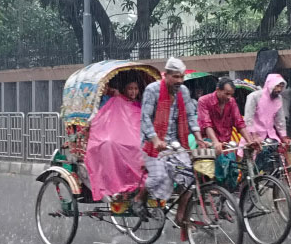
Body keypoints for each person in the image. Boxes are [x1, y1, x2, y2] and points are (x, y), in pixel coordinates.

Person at [135, 57, 207, 224]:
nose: (179, 81)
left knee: (189, 177)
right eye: (175, 77)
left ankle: (180, 215)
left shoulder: (183, 91)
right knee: (158, 177)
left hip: (175, 142)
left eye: (181, 77)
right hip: (152, 143)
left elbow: (190, 115)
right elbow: (145, 118)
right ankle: (140, 198)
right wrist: (155, 140)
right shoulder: (152, 90)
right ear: (166, 75)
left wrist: (198, 138)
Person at [85, 79, 144, 203]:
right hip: (113, 134)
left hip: (133, 136)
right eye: (130, 88)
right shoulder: (114, 100)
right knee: (111, 145)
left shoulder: (139, 104)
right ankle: (116, 186)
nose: (133, 92)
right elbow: (105, 118)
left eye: (135, 89)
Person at [197, 78, 257, 189]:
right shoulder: (204, 101)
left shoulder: (232, 102)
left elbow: (239, 122)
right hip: (208, 140)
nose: (229, 97)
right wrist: (215, 142)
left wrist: (250, 141)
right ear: (218, 90)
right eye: (227, 94)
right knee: (221, 166)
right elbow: (206, 125)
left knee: (233, 169)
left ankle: (228, 194)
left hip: (226, 140)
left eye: (231, 94)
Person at [243, 73, 291, 165]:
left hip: (270, 135)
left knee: (277, 160)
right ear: (270, 84)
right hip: (253, 135)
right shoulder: (254, 96)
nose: (279, 90)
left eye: (281, 87)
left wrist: (284, 136)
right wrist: (254, 136)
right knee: (254, 164)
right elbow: (248, 118)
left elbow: (280, 119)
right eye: (277, 86)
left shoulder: (279, 98)